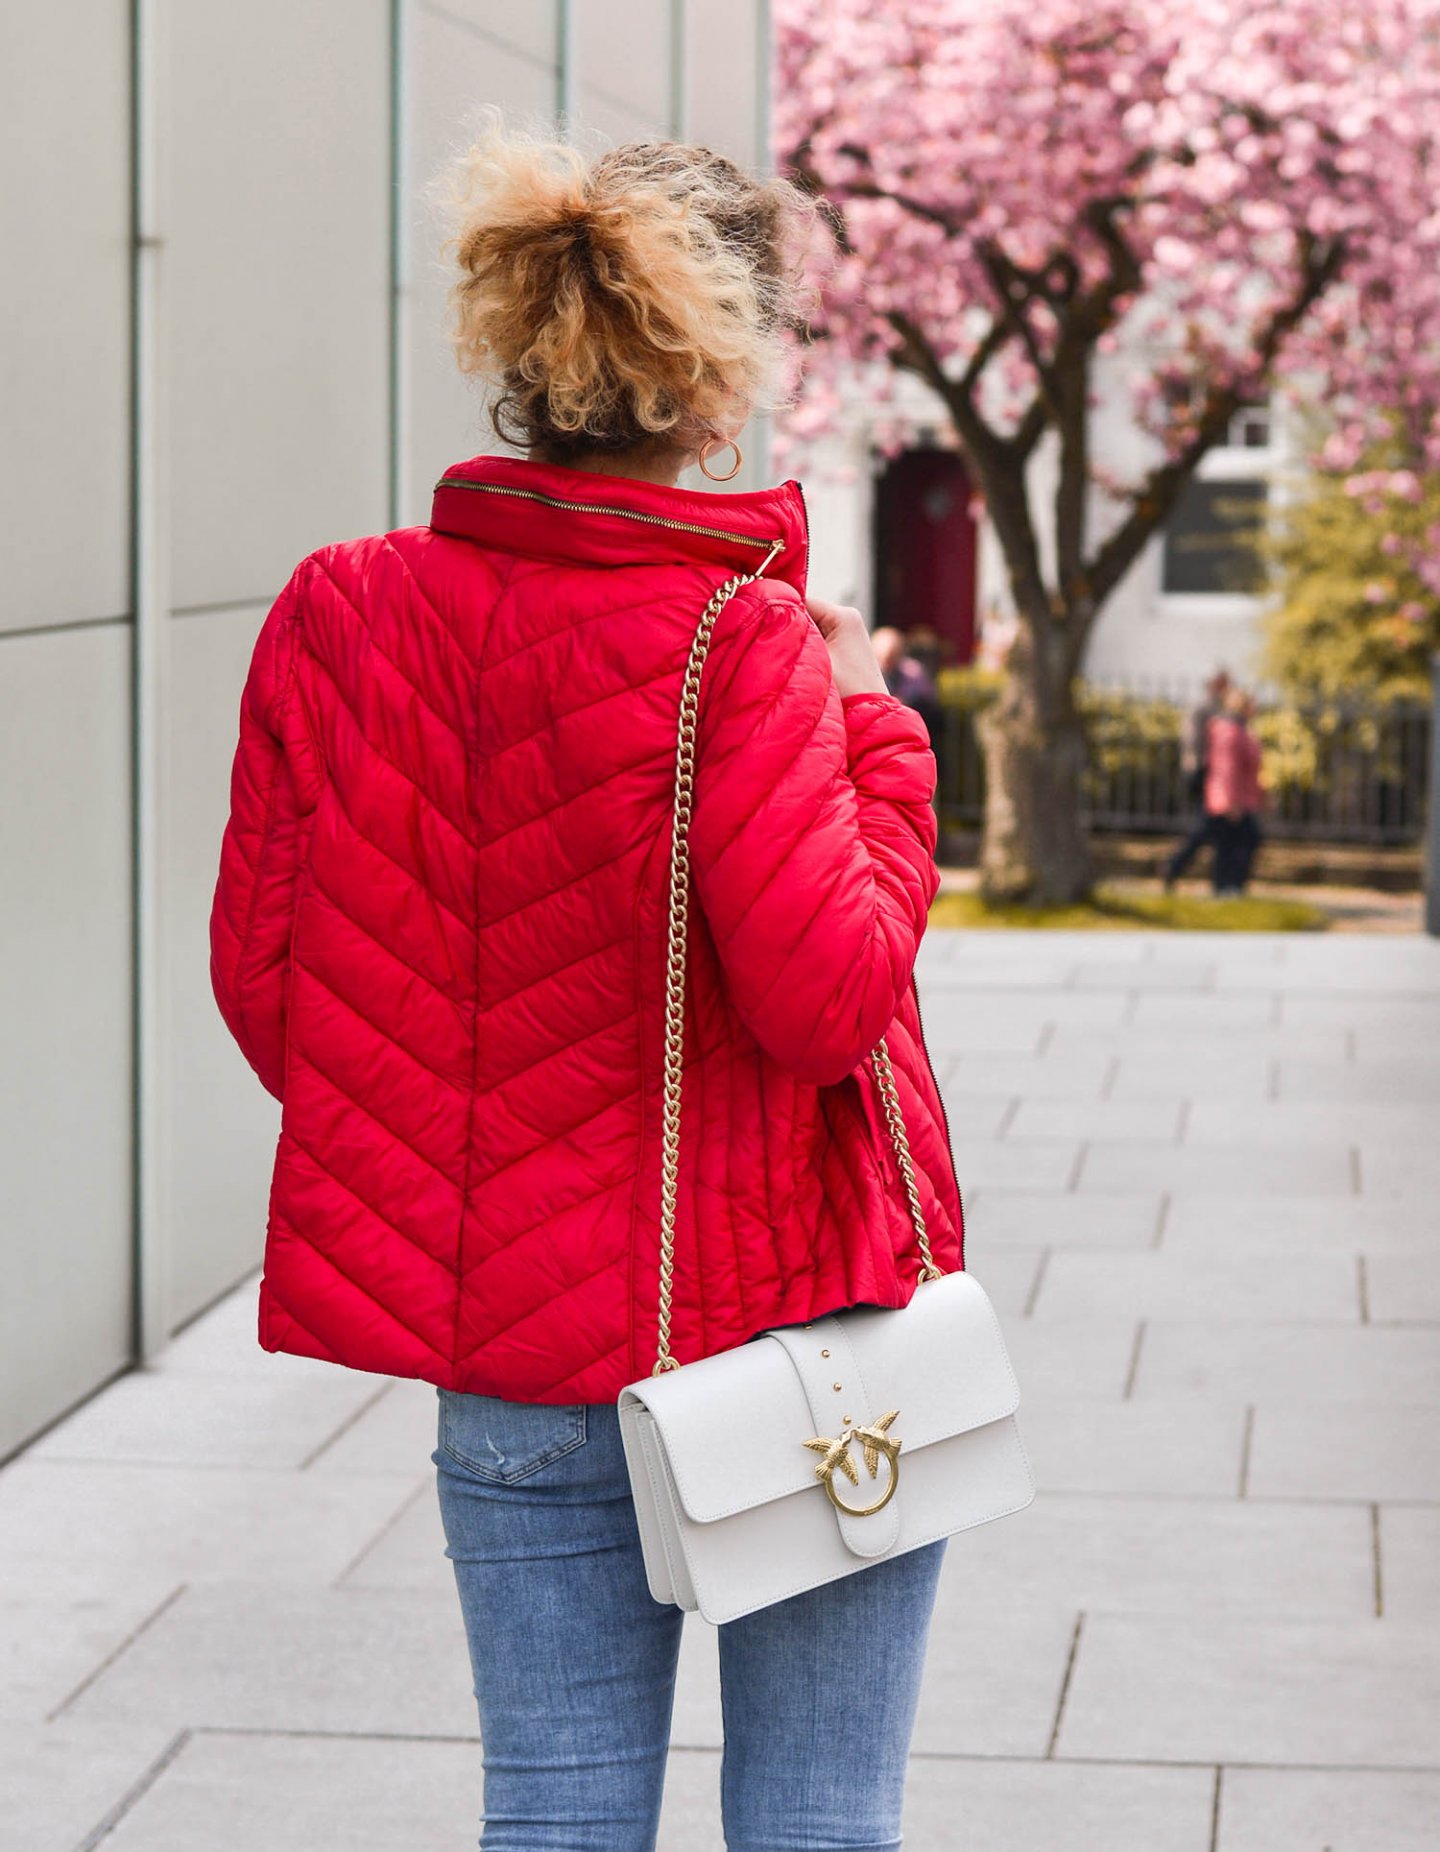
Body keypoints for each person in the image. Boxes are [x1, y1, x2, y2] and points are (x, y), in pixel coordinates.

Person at [208, 115, 963, 1852]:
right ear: (724, 374)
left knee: (551, 1810)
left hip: (512, 1352)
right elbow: (831, 996)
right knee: (818, 1817)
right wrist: (879, 734)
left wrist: (495, 1160)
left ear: (523, 351)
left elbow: (276, 993)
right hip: (792, 1339)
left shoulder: (341, 610)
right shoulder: (745, 640)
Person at [1163, 667, 1230, 890]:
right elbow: (1194, 740)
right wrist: (1200, 767)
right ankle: (1175, 865)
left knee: (1217, 828)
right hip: (1203, 772)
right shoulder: (1204, 707)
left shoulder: (1215, 707)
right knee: (1206, 826)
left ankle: (1220, 881)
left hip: (1210, 772)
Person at [1205, 686, 1265, 895]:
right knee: (1235, 844)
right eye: (1252, 704)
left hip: (1242, 798)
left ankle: (1230, 887)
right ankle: (1227, 887)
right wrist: (1230, 802)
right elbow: (1226, 769)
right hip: (1231, 800)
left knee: (1236, 843)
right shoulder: (1229, 730)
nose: (1256, 708)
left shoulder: (1240, 728)